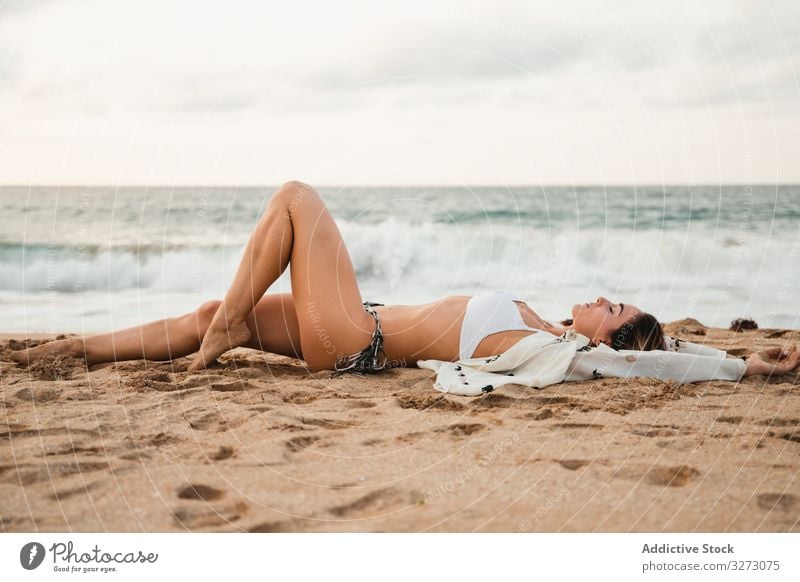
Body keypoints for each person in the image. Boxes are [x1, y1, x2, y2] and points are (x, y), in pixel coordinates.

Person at [9, 181, 800, 388]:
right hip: (358, 332)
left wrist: (746, 368)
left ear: (609, 338)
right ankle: (77, 349)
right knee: (223, 308)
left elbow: (658, 362)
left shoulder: (561, 353)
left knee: (294, 196)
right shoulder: (548, 331)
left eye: (613, 308)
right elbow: (669, 344)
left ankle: (215, 344)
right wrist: (712, 342)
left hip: (355, 337)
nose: (601, 296)